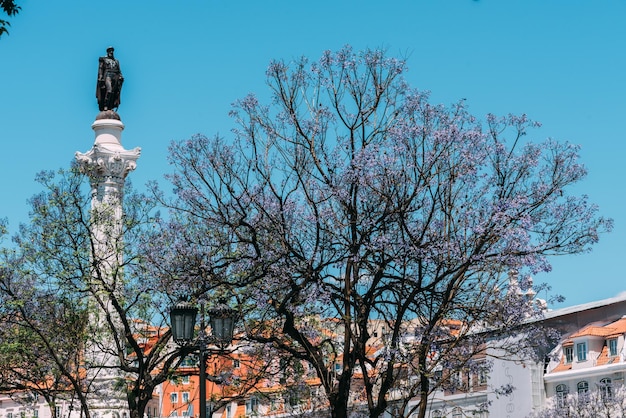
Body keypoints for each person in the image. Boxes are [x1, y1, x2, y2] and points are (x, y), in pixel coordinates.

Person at [96, 46, 124, 111]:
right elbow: (101, 69)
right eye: (110, 51)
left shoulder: (116, 61)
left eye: (112, 51)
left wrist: (121, 76)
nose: (111, 52)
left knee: (113, 92)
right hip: (107, 75)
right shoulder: (104, 59)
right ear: (107, 52)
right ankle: (105, 105)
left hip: (115, 76)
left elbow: (119, 70)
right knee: (109, 90)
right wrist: (100, 77)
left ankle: (110, 106)